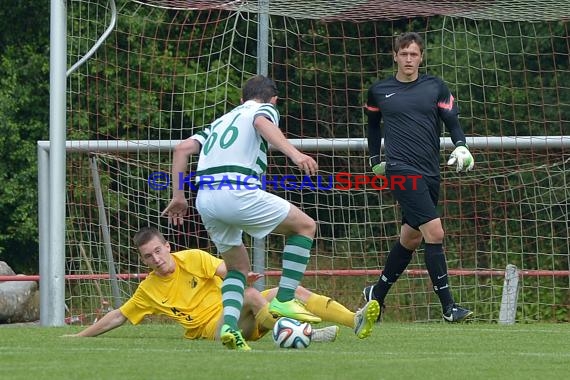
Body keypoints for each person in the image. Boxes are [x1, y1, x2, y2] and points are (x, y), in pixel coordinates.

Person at [162, 75, 345, 349]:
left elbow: (182, 148)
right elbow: (261, 122)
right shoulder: (264, 109)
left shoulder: (221, 120)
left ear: (240, 99)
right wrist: (296, 155)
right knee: (305, 226)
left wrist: (178, 195)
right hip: (236, 190)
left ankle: (228, 327)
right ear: (274, 100)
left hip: (205, 199)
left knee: (237, 268)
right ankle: (284, 298)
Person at [63, 227, 380, 348]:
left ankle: (355, 320)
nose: (156, 259)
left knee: (290, 289)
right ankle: (301, 334)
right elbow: (119, 315)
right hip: (217, 329)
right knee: (250, 296)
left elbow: (224, 268)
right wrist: (79, 336)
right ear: (143, 260)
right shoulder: (148, 290)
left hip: (244, 311)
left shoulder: (192, 258)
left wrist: (243, 275)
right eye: (148, 256)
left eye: (159, 251)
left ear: (168, 247)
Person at [362, 32, 474, 323]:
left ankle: (377, 292)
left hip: (430, 171)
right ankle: (449, 307)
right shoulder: (379, 90)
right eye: (403, 54)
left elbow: (452, 121)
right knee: (434, 232)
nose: (408, 59)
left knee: (411, 238)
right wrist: (376, 159)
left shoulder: (435, 86)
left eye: (414, 54)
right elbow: (373, 127)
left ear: (421, 57)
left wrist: (461, 144)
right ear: (395, 56)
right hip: (400, 170)